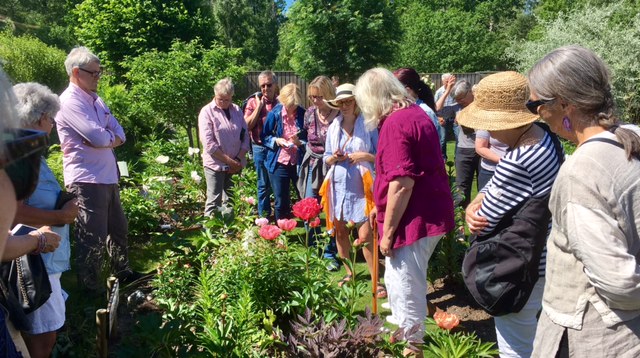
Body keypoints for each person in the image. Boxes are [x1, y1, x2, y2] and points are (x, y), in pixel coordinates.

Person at [527, 45, 640, 357]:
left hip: (592, 336)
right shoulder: (628, 139)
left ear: (564, 104)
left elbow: (619, 284)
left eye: (535, 104)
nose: (536, 113)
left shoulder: (581, 171)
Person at [461, 71, 562, 357]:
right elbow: (493, 190)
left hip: (518, 267)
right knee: (539, 340)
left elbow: (484, 221)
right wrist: (479, 196)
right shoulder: (545, 139)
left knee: (515, 348)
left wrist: (475, 211)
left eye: (489, 124)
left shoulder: (517, 161)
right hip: (544, 254)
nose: (488, 131)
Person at [356, 68, 455, 357]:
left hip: (414, 219)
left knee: (405, 288)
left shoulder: (397, 123)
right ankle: (403, 339)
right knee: (399, 283)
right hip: (419, 213)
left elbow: (402, 184)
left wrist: (387, 234)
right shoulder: (414, 114)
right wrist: (380, 208)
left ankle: (411, 348)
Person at [55, 46, 142, 293]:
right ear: (76, 72)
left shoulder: (96, 99)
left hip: (107, 176)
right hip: (86, 179)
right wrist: (105, 138)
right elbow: (100, 137)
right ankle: (91, 290)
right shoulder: (69, 102)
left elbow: (118, 134)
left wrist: (105, 138)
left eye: (99, 72)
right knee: (92, 238)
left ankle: (123, 273)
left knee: (118, 230)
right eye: (93, 72)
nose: (98, 76)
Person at [11, 82, 77, 358]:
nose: (52, 125)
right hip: (36, 262)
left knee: (44, 333)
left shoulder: (31, 154)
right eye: (50, 119)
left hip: (45, 258)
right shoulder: (20, 157)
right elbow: (12, 211)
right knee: (42, 337)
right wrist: (60, 215)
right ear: (38, 118)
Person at [319, 83, 383, 295]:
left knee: (365, 236)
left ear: (356, 102)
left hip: (362, 188)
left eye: (348, 101)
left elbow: (381, 156)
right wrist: (334, 157)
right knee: (340, 232)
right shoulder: (334, 127)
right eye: (341, 102)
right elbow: (326, 157)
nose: (344, 105)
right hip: (337, 188)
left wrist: (364, 156)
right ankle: (349, 272)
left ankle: (376, 280)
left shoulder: (369, 125)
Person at [296, 76, 340, 270]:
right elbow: (306, 135)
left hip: (332, 167)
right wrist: (298, 141)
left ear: (329, 95)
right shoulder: (310, 114)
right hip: (312, 164)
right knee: (309, 209)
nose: (315, 101)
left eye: (319, 97)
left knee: (330, 211)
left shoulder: (339, 115)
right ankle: (315, 249)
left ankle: (330, 253)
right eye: (312, 97)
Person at [198, 78, 250, 216]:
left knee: (231, 200)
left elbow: (245, 136)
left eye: (227, 100)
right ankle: (210, 233)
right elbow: (209, 144)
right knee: (214, 200)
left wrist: (238, 159)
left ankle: (229, 232)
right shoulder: (206, 112)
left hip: (235, 163)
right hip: (215, 164)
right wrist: (229, 161)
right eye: (220, 99)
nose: (224, 103)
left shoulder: (237, 110)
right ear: (215, 95)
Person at [261, 83, 306, 220]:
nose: (291, 108)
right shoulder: (275, 114)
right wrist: (276, 140)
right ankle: (282, 234)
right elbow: (264, 136)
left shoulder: (303, 114)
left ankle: (309, 233)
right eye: (288, 104)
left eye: (294, 105)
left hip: (298, 161)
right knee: (281, 200)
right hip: (279, 161)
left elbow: (310, 138)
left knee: (304, 197)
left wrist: (300, 143)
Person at [244, 70, 279, 219]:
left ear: (275, 85)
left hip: (276, 149)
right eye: (262, 86)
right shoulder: (252, 102)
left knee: (278, 184)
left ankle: (280, 218)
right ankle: (264, 218)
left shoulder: (281, 103)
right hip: (259, 147)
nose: (265, 88)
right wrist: (259, 107)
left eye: (269, 85)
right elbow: (246, 125)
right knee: (263, 185)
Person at [393, 68, 444, 147]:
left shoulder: (425, 112)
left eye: (394, 91)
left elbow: (430, 146)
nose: (392, 95)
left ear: (407, 90)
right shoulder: (400, 109)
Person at [452, 80, 480, 208]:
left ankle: (483, 222)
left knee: (484, 187)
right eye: (456, 99)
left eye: (461, 98)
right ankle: (460, 224)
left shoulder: (483, 106)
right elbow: (437, 109)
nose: (459, 101)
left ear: (470, 92)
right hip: (464, 151)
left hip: (484, 150)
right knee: (461, 189)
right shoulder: (456, 107)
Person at [434, 73, 458, 159]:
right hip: (443, 118)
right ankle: (443, 158)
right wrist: (439, 117)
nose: (448, 83)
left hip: (455, 118)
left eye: (450, 81)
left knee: (458, 139)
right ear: (442, 81)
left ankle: (457, 158)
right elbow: (434, 107)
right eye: (446, 81)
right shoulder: (439, 92)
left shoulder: (456, 91)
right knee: (443, 140)